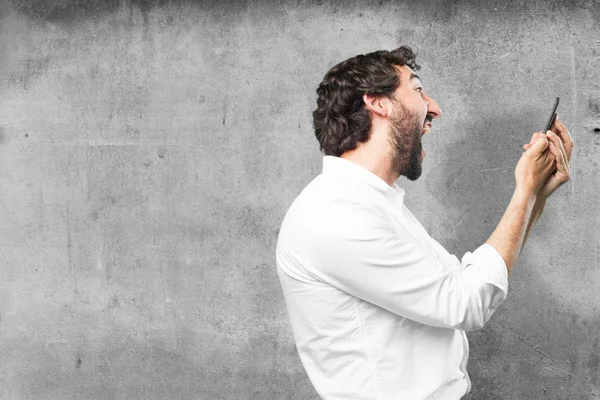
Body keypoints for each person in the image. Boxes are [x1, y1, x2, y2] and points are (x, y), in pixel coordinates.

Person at [275, 46, 573, 400]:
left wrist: (536, 195)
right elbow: (466, 302)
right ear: (379, 103)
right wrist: (524, 193)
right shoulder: (336, 214)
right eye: (417, 90)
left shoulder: (371, 203)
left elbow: (462, 282)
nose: (435, 108)